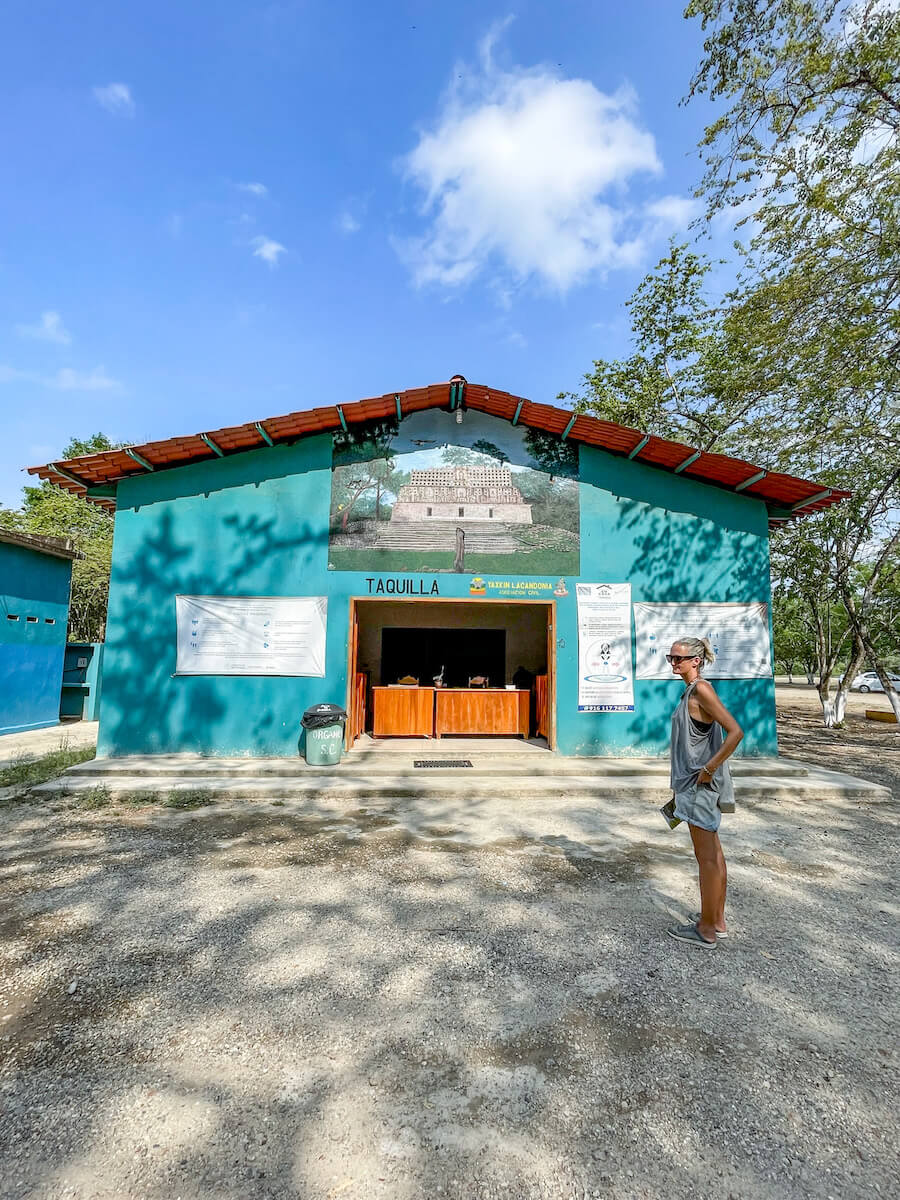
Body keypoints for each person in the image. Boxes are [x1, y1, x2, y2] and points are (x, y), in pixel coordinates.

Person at [666, 637, 743, 949]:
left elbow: (735, 731)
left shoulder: (701, 689)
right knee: (715, 856)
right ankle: (717, 921)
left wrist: (709, 769)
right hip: (694, 786)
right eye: (670, 657)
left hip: (699, 788)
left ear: (696, 660)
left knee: (707, 859)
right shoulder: (691, 691)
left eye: (679, 658)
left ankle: (707, 930)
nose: (674, 663)